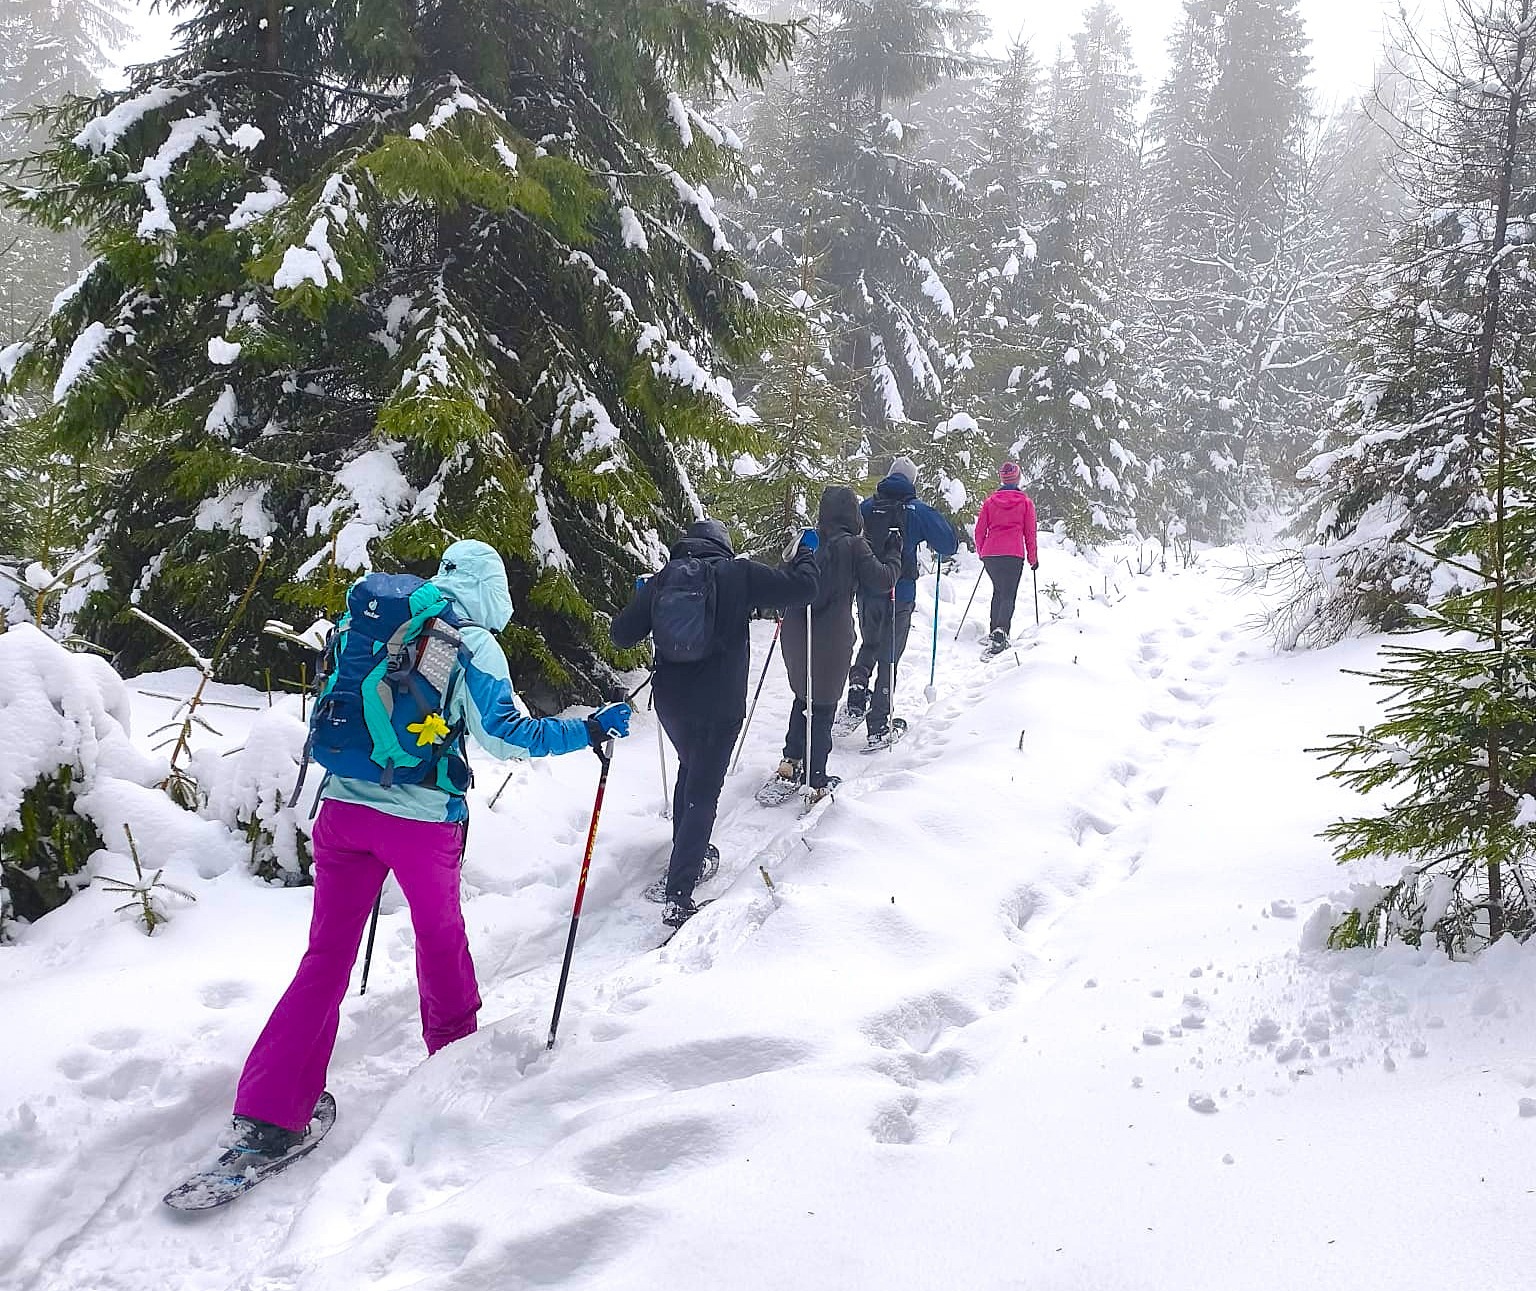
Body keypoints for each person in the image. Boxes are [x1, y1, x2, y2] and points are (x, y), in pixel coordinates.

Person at [226, 540, 632, 1161]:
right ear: (493, 591)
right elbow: (506, 738)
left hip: (341, 812)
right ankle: (454, 1064)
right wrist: (589, 728)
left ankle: (270, 1108)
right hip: (420, 823)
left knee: (325, 957)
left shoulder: (380, 624)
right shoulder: (471, 642)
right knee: (439, 940)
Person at [612, 518, 818, 927]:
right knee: (703, 790)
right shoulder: (738, 574)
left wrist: (648, 601)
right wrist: (806, 555)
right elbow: (803, 590)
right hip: (719, 704)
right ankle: (679, 893)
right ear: (721, 546)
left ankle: (686, 854)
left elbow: (621, 635)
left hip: (671, 702)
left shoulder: (662, 579)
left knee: (691, 771)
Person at [773, 486, 902, 798]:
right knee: (824, 704)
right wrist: (894, 551)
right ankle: (816, 777)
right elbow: (883, 579)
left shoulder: (805, 541)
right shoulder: (854, 546)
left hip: (795, 629)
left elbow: (780, 581)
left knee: (803, 696)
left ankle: (791, 760)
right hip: (831, 635)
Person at [846, 456, 959, 747]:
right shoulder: (916, 510)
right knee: (890, 655)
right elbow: (948, 544)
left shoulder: (868, 507)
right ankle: (879, 725)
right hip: (901, 592)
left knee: (870, 643)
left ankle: (857, 692)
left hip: (868, 591)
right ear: (912, 481)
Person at [974, 461, 1039, 654]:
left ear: (1002, 479)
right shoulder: (1026, 503)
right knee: (1008, 593)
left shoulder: (990, 502)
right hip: (1013, 553)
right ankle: (1001, 631)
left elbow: (979, 531)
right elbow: (1030, 533)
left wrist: (981, 552)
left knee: (999, 591)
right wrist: (1033, 558)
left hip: (991, 554)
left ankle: (995, 629)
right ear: (1018, 478)